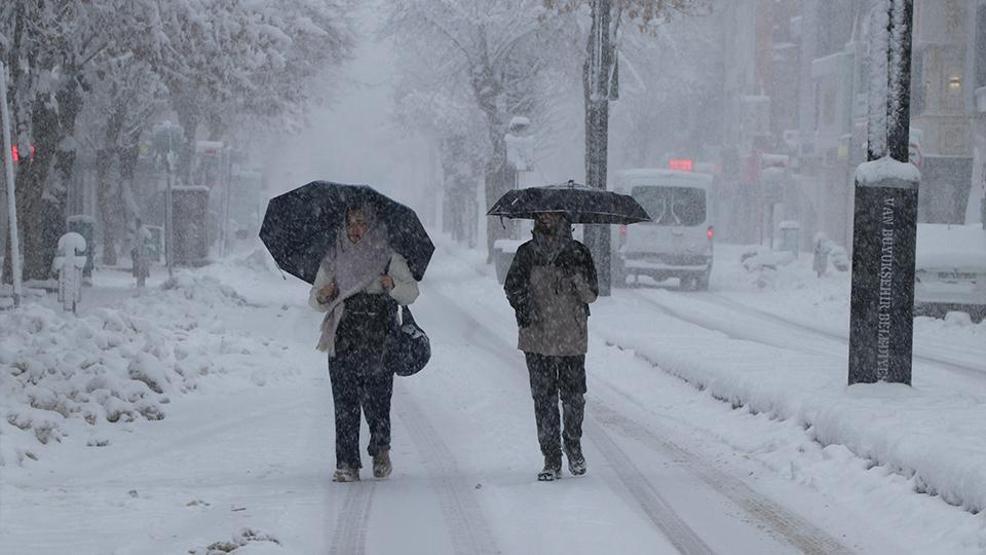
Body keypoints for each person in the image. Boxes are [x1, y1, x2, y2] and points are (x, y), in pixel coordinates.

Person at [309, 205, 419, 483]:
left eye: (362, 223)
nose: (356, 230)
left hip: (379, 336)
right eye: (351, 224)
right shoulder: (333, 258)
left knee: (378, 400)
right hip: (344, 335)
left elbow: (411, 292)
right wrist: (324, 294)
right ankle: (346, 463)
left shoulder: (388, 256)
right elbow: (315, 301)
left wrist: (391, 283)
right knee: (344, 402)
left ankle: (380, 450)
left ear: (372, 227)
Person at [504, 212, 598, 481]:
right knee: (543, 400)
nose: (547, 219)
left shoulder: (579, 253)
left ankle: (573, 445)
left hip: (571, 337)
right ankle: (551, 458)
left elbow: (591, 294)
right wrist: (524, 307)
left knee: (573, 397)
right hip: (538, 336)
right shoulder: (527, 253)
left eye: (553, 214)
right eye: (542, 214)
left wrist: (575, 275)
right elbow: (512, 287)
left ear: (563, 219)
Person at [130, 218, 151, 288]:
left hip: (141, 252)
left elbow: (137, 242)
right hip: (142, 252)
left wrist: (135, 249)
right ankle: (141, 282)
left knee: (140, 267)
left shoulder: (141, 231)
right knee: (141, 268)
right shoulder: (143, 231)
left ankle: (140, 282)